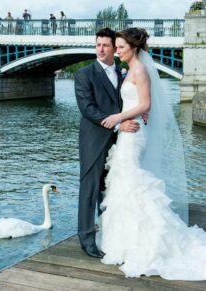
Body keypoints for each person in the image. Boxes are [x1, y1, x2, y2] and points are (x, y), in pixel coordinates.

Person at [98, 27, 206, 280]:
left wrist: (118, 117)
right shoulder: (131, 69)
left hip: (134, 136)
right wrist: (127, 116)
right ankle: (127, 240)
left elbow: (146, 103)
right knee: (126, 183)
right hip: (129, 132)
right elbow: (139, 104)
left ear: (133, 47)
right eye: (118, 46)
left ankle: (150, 240)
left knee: (133, 182)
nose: (118, 50)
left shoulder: (140, 70)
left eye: (121, 47)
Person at [74, 28, 141, 258]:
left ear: (114, 48)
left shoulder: (123, 72)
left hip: (120, 143)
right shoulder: (84, 74)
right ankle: (86, 239)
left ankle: (109, 233)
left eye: (105, 45)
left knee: (111, 189)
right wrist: (117, 125)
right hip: (94, 141)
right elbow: (88, 109)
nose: (100, 49)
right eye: (97, 45)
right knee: (89, 190)